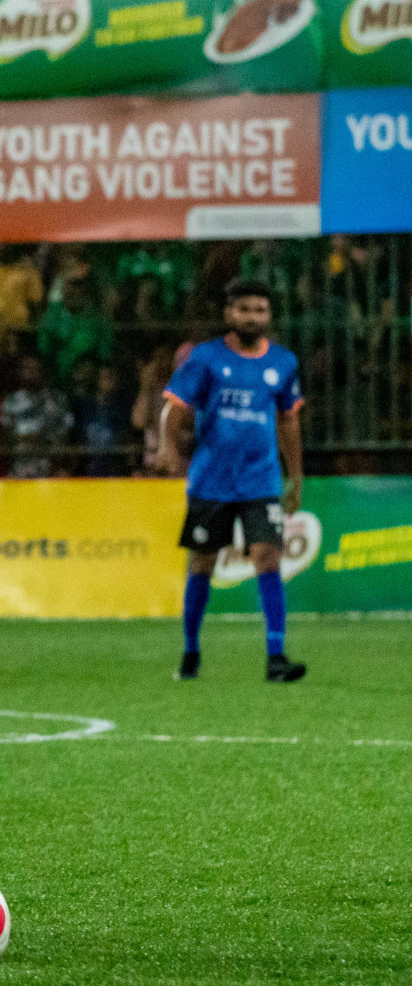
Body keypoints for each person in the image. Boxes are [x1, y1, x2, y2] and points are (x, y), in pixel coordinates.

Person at [157, 279, 306, 684]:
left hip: (261, 480)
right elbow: (175, 407)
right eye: (244, 309)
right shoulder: (205, 358)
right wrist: (169, 450)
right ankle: (190, 650)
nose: (252, 317)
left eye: (260, 310)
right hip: (212, 481)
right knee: (202, 565)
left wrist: (296, 474)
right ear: (229, 314)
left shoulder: (283, 362)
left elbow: (289, 420)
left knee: (268, 557)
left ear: (269, 315)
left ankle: (276, 657)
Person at [0, 355, 71, 479]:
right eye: (26, 368)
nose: (30, 373)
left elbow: (67, 432)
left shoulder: (58, 399)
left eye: (35, 369)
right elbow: (5, 433)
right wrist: (25, 438)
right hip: (20, 469)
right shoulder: (11, 401)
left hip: (51, 470)